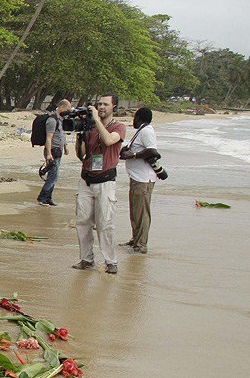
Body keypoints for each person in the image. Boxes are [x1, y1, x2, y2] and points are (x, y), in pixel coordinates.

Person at [72, 94, 127, 274]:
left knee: (105, 223)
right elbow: (82, 154)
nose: (101, 107)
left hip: (105, 180)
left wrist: (96, 120)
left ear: (114, 107)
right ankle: (86, 259)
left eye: (105, 104)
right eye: (99, 104)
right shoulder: (90, 128)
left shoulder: (118, 127)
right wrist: (80, 135)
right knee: (82, 221)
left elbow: (109, 140)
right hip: (86, 179)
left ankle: (111, 261)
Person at [120, 106, 159, 255]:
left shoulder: (147, 131)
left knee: (142, 213)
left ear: (138, 117)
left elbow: (152, 151)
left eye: (134, 117)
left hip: (143, 179)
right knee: (135, 211)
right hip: (137, 178)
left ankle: (141, 244)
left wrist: (132, 156)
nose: (133, 120)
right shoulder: (142, 131)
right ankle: (135, 239)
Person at [38, 99, 71, 206]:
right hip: (52, 150)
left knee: (53, 175)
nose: (68, 112)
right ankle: (42, 197)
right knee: (53, 175)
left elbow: (62, 135)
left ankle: (48, 197)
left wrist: (65, 146)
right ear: (61, 107)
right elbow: (49, 138)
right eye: (67, 109)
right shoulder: (52, 120)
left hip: (59, 150)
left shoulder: (61, 120)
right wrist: (48, 154)